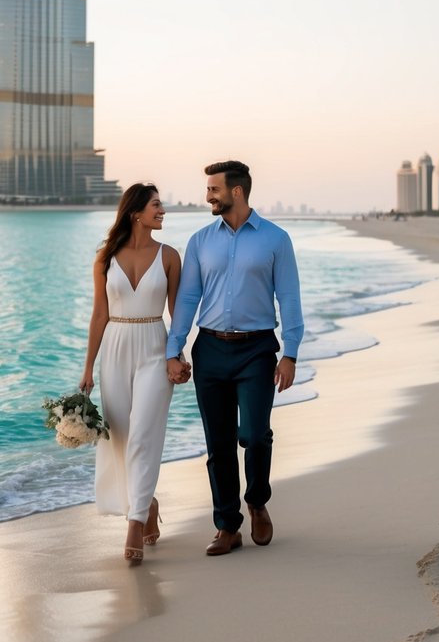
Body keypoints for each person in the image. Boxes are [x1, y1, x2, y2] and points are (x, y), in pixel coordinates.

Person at [166, 160, 304, 556]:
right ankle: (227, 525)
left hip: (257, 349)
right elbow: (189, 297)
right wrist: (173, 348)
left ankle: (257, 500)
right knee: (219, 443)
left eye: (214, 189)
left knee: (254, 434)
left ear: (236, 192)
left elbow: (289, 298)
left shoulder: (276, 239)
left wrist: (290, 353)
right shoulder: (199, 241)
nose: (208, 195)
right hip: (209, 349)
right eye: (208, 189)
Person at [81, 183, 189, 565]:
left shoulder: (170, 257)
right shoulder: (104, 257)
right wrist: (88, 368)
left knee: (145, 433)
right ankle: (148, 501)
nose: (163, 211)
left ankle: (135, 520)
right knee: (122, 437)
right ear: (135, 213)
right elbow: (99, 315)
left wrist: (177, 356)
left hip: (155, 348)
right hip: (114, 347)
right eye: (156, 205)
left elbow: (179, 316)